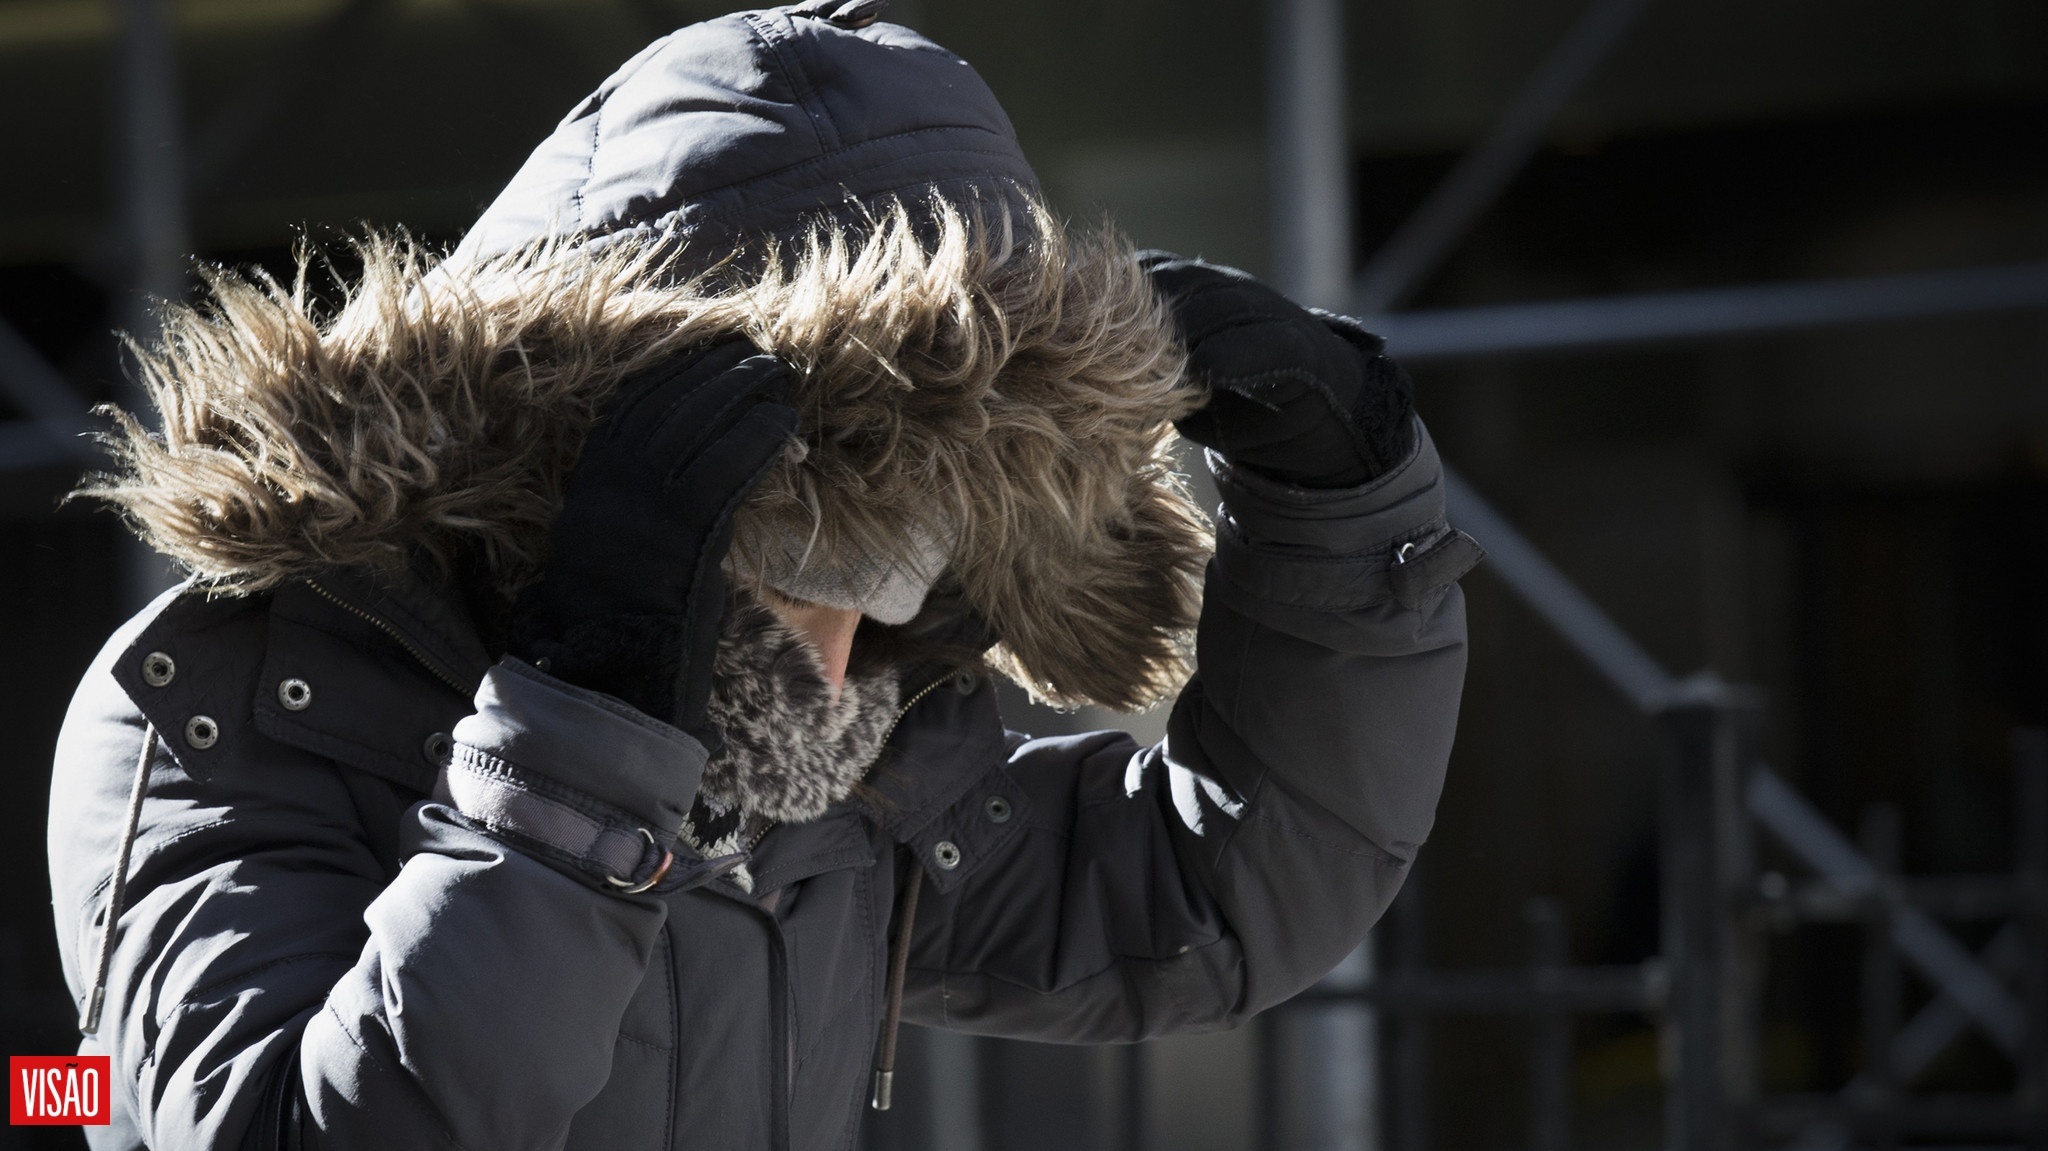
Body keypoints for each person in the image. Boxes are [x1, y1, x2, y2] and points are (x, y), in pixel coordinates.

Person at [47, 2, 1479, 1146]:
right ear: (584, 472)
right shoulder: (227, 709)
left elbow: (1213, 899)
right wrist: (583, 727)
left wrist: (1348, 509)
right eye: (802, 556)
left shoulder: (833, 757)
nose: (847, 657)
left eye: (912, 573)